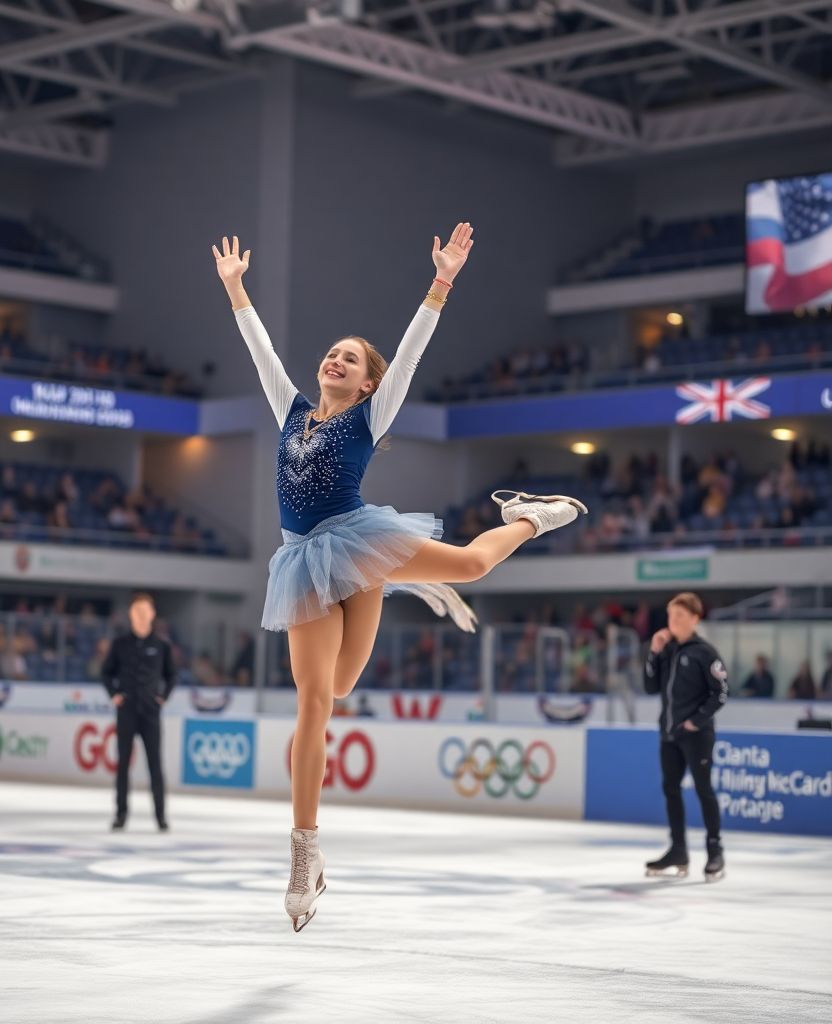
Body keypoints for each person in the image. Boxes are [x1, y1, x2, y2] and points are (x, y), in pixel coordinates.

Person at [213, 225, 588, 931]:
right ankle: (305, 852)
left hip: (361, 543)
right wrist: (236, 289)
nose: (335, 359)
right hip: (305, 562)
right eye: (332, 352)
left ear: (367, 383)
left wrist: (441, 282)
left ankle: (530, 517)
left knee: (471, 564)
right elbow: (261, 352)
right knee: (324, 697)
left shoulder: (370, 415)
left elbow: (411, 351)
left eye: (350, 358)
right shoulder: (290, 409)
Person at [643, 592, 728, 883]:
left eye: (680, 615)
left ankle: (715, 851)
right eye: (671, 615)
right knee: (671, 789)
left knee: (704, 790)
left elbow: (721, 693)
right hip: (669, 734)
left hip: (696, 735)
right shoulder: (667, 650)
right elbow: (650, 687)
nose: (673, 621)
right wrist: (654, 653)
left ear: (694, 619)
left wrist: (695, 721)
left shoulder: (705, 653)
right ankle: (678, 850)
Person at [101, 592, 175, 833]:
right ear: (131, 614)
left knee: (155, 765)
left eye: (145, 611)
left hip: (151, 713)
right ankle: (120, 814)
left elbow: (172, 675)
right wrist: (114, 694)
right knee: (122, 764)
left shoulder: (162, 645)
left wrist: (163, 697)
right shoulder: (120, 644)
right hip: (127, 711)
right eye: (137, 611)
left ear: (152, 614)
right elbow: (106, 672)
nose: (141, 615)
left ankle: (161, 816)